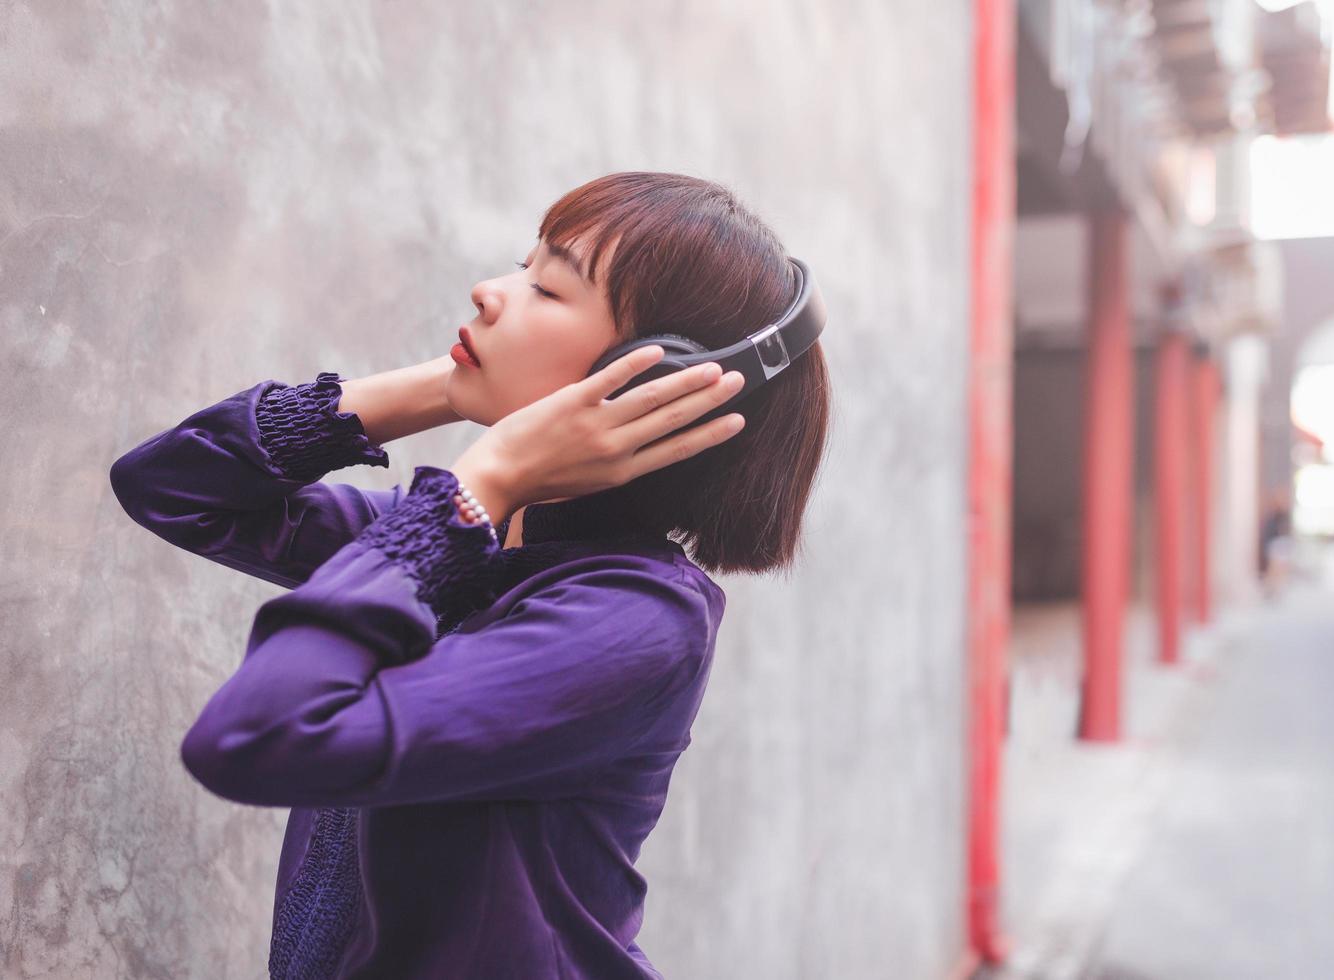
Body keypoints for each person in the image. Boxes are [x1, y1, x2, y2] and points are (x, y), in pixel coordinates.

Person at [108, 171, 832, 979]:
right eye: (521, 269)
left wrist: (483, 480)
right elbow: (171, 485)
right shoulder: (449, 545)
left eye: (548, 290)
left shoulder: (634, 620)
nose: (491, 291)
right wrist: (445, 389)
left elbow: (257, 736)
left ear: (647, 383)